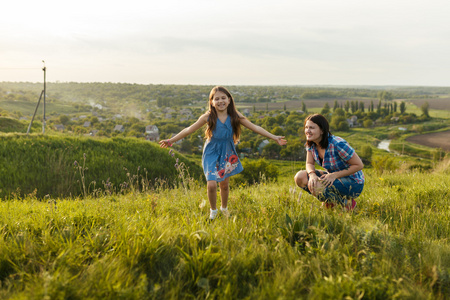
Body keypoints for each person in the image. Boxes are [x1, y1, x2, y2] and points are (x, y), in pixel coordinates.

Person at [160, 86, 287, 220]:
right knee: (212, 184)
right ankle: (213, 212)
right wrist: (171, 140)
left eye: (223, 98)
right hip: (211, 152)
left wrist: (274, 137)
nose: (220, 101)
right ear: (212, 102)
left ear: (229, 100)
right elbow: (189, 130)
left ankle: (224, 209)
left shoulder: (235, 116)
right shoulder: (208, 117)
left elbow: (255, 128)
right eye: (217, 99)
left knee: (224, 185)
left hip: (227, 152)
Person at [294, 113, 364, 211]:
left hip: (353, 182)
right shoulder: (311, 143)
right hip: (331, 177)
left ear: (322, 130)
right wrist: (312, 175)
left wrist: (334, 175)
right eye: (306, 127)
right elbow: (309, 163)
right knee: (300, 177)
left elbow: (359, 165)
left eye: (312, 128)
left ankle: (347, 204)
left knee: (318, 185)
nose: (308, 131)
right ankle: (330, 200)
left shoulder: (338, 144)